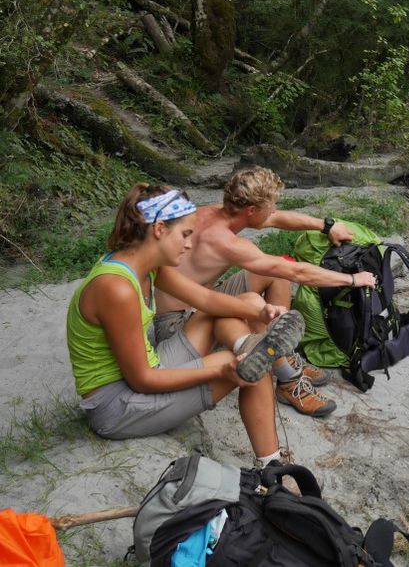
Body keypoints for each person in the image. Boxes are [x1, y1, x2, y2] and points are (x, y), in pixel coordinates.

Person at [66, 184, 303, 466]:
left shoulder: (144, 266)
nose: (189, 244)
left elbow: (205, 299)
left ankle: (249, 346)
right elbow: (142, 379)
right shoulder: (116, 289)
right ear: (159, 229)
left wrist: (262, 311)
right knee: (250, 361)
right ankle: (274, 466)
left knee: (246, 345)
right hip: (117, 405)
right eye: (185, 235)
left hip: (148, 371)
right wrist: (222, 369)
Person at [154, 167, 377, 418]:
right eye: (270, 207)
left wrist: (327, 226)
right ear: (251, 211)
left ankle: (286, 356)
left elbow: (277, 219)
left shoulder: (218, 212)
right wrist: (351, 279)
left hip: (201, 298)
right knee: (259, 292)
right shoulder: (226, 242)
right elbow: (297, 273)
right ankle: (289, 382)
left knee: (273, 274)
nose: (273, 212)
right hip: (174, 325)